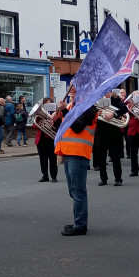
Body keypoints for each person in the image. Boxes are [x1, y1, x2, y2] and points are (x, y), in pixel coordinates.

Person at [55, 93, 99, 236]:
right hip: (69, 152)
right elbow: (65, 128)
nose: (72, 95)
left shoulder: (88, 109)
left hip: (78, 153)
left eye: (75, 92)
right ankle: (78, 222)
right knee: (73, 190)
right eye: (72, 92)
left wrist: (64, 111)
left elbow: (77, 127)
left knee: (78, 190)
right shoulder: (72, 108)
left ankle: (80, 225)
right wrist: (56, 119)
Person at [93, 91, 128, 186]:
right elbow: (91, 112)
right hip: (101, 132)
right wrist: (97, 113)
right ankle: (103, 179)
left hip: (114, 132)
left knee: (115, 157)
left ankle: (118, 179)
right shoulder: (96, 101)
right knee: (101, 157)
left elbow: (124, 109)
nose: (105, 93)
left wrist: (113, 113)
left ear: (110, 92)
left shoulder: (115, 100)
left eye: (107, 91)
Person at [34, 97, 59, 182]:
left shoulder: (56, 113)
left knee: (52, 158)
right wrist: (40, 123)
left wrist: (52, 122)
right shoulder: (39, 115)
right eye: (46, 103)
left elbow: (58, 125)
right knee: (42, 158)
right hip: (41, 139)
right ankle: (45, 175)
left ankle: (54, 176)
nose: (48, 105)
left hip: (50, 139)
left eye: (50, 103)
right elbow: (34, 125)